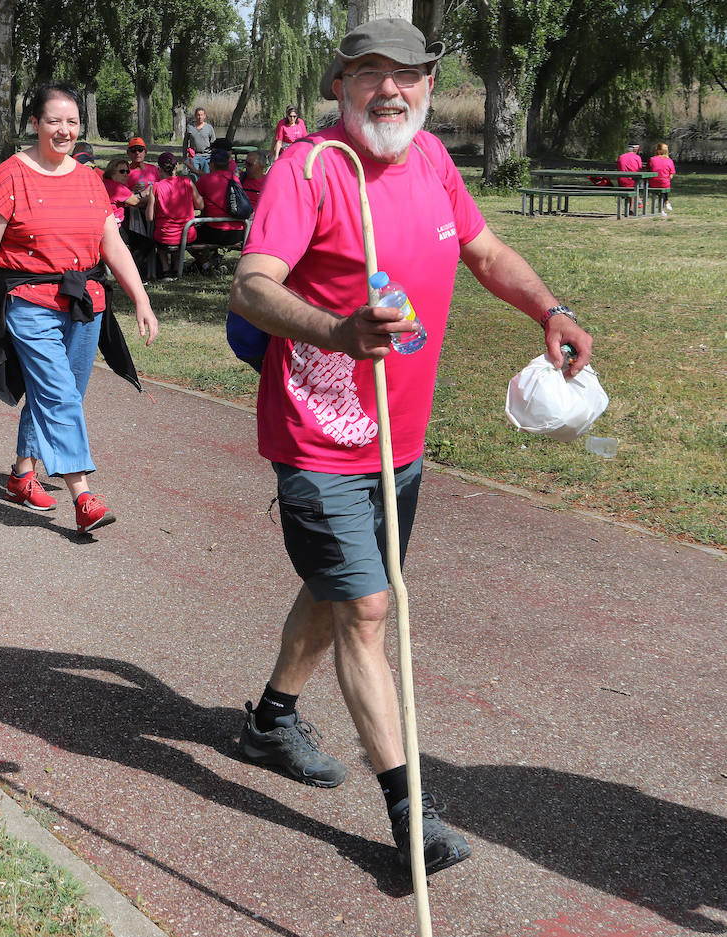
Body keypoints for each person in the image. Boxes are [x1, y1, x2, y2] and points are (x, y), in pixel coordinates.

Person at [227, 18, 592, 877]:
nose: (390, 90)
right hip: (319, 438)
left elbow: (485, 249)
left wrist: (550, 309)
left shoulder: (430, 161)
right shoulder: (310, 169)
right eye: (369, 74)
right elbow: (250, 285)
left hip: (402, 439)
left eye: (408, 74)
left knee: (342, 590)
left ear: (430, 82)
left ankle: (270, 720)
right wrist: (336, 331)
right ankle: (408, 814)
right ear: (340, 85)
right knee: (366, 609)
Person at [0, 82, 158, 533]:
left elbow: (113, 245)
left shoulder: (89, 178)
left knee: (56, 395)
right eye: (54, 121)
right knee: (60, 395)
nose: (64, 130)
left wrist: (141, 300)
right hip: (29, 303)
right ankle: (83, 495)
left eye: (72, 122)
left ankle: (21, 474)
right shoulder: (9, 175)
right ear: (35, 123)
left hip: (85, 304)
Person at [148, 150, 203, 277]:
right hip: (188, 235)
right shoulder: (187, 182)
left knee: (160, 240)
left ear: (159, 169)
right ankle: (178, 267)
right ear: (176, 165)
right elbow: (200, 205)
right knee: (180, 233)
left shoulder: (155, 187)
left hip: (165, 236)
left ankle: (166, 268)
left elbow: (149, 217)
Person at [191, 147, 246, 271]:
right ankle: (214, 259)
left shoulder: (206, 180)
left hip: (216, 232)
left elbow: (194, 202)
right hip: (238, 232)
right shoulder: (235, 179)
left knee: (188, 237)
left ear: (211, 164)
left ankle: (206, 265)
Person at [101, 157, 142, 227]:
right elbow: (138, 203)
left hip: (104, 221)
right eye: (122, 171)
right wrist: (151, 194)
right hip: (114, 225)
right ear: (112, 173)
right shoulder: (118, 187)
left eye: (127, 171)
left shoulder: (105, 183)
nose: (126, 174)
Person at [183, 107, 215, 176]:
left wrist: (214, 157)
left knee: (206, 176)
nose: (199, 117)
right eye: (198, 115)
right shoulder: (190, 127)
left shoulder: (209, 128)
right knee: (194, 176)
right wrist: (184, 156)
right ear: (195, 116)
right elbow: (185, 142)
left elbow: (214, 144)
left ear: (204, 116)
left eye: (201, 115)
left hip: (207, 156)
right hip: (194, 156)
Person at [648, 142, 675, 211]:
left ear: (657, 150)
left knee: (659, 183)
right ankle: (666, 203)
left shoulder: (652, 159)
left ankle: (664, 205)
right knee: (663, 184)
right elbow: (671, 175)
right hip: (664, 183)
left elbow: (648, 170)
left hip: (653, 182)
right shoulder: (669, 160)